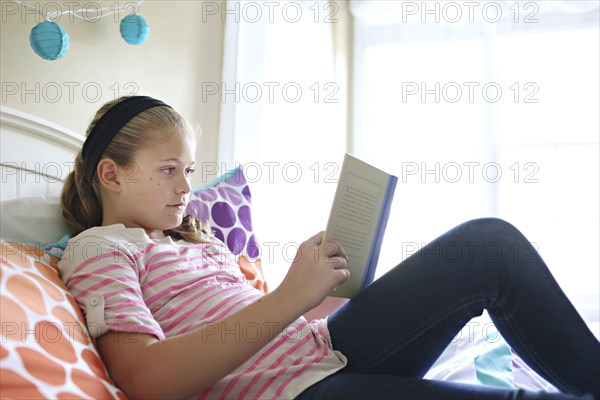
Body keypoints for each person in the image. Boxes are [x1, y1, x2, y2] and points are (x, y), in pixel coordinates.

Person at [58, 95, 599, 400]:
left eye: (190, 171)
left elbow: (259, 316)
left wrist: (324, 285)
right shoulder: (99, 249)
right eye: (168, 170)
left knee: (488, 245)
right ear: (111, 174)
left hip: (321, 349)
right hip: (285, 393)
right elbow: (147, 381)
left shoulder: (198, 242)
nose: (185, 187)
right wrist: (290, 298)